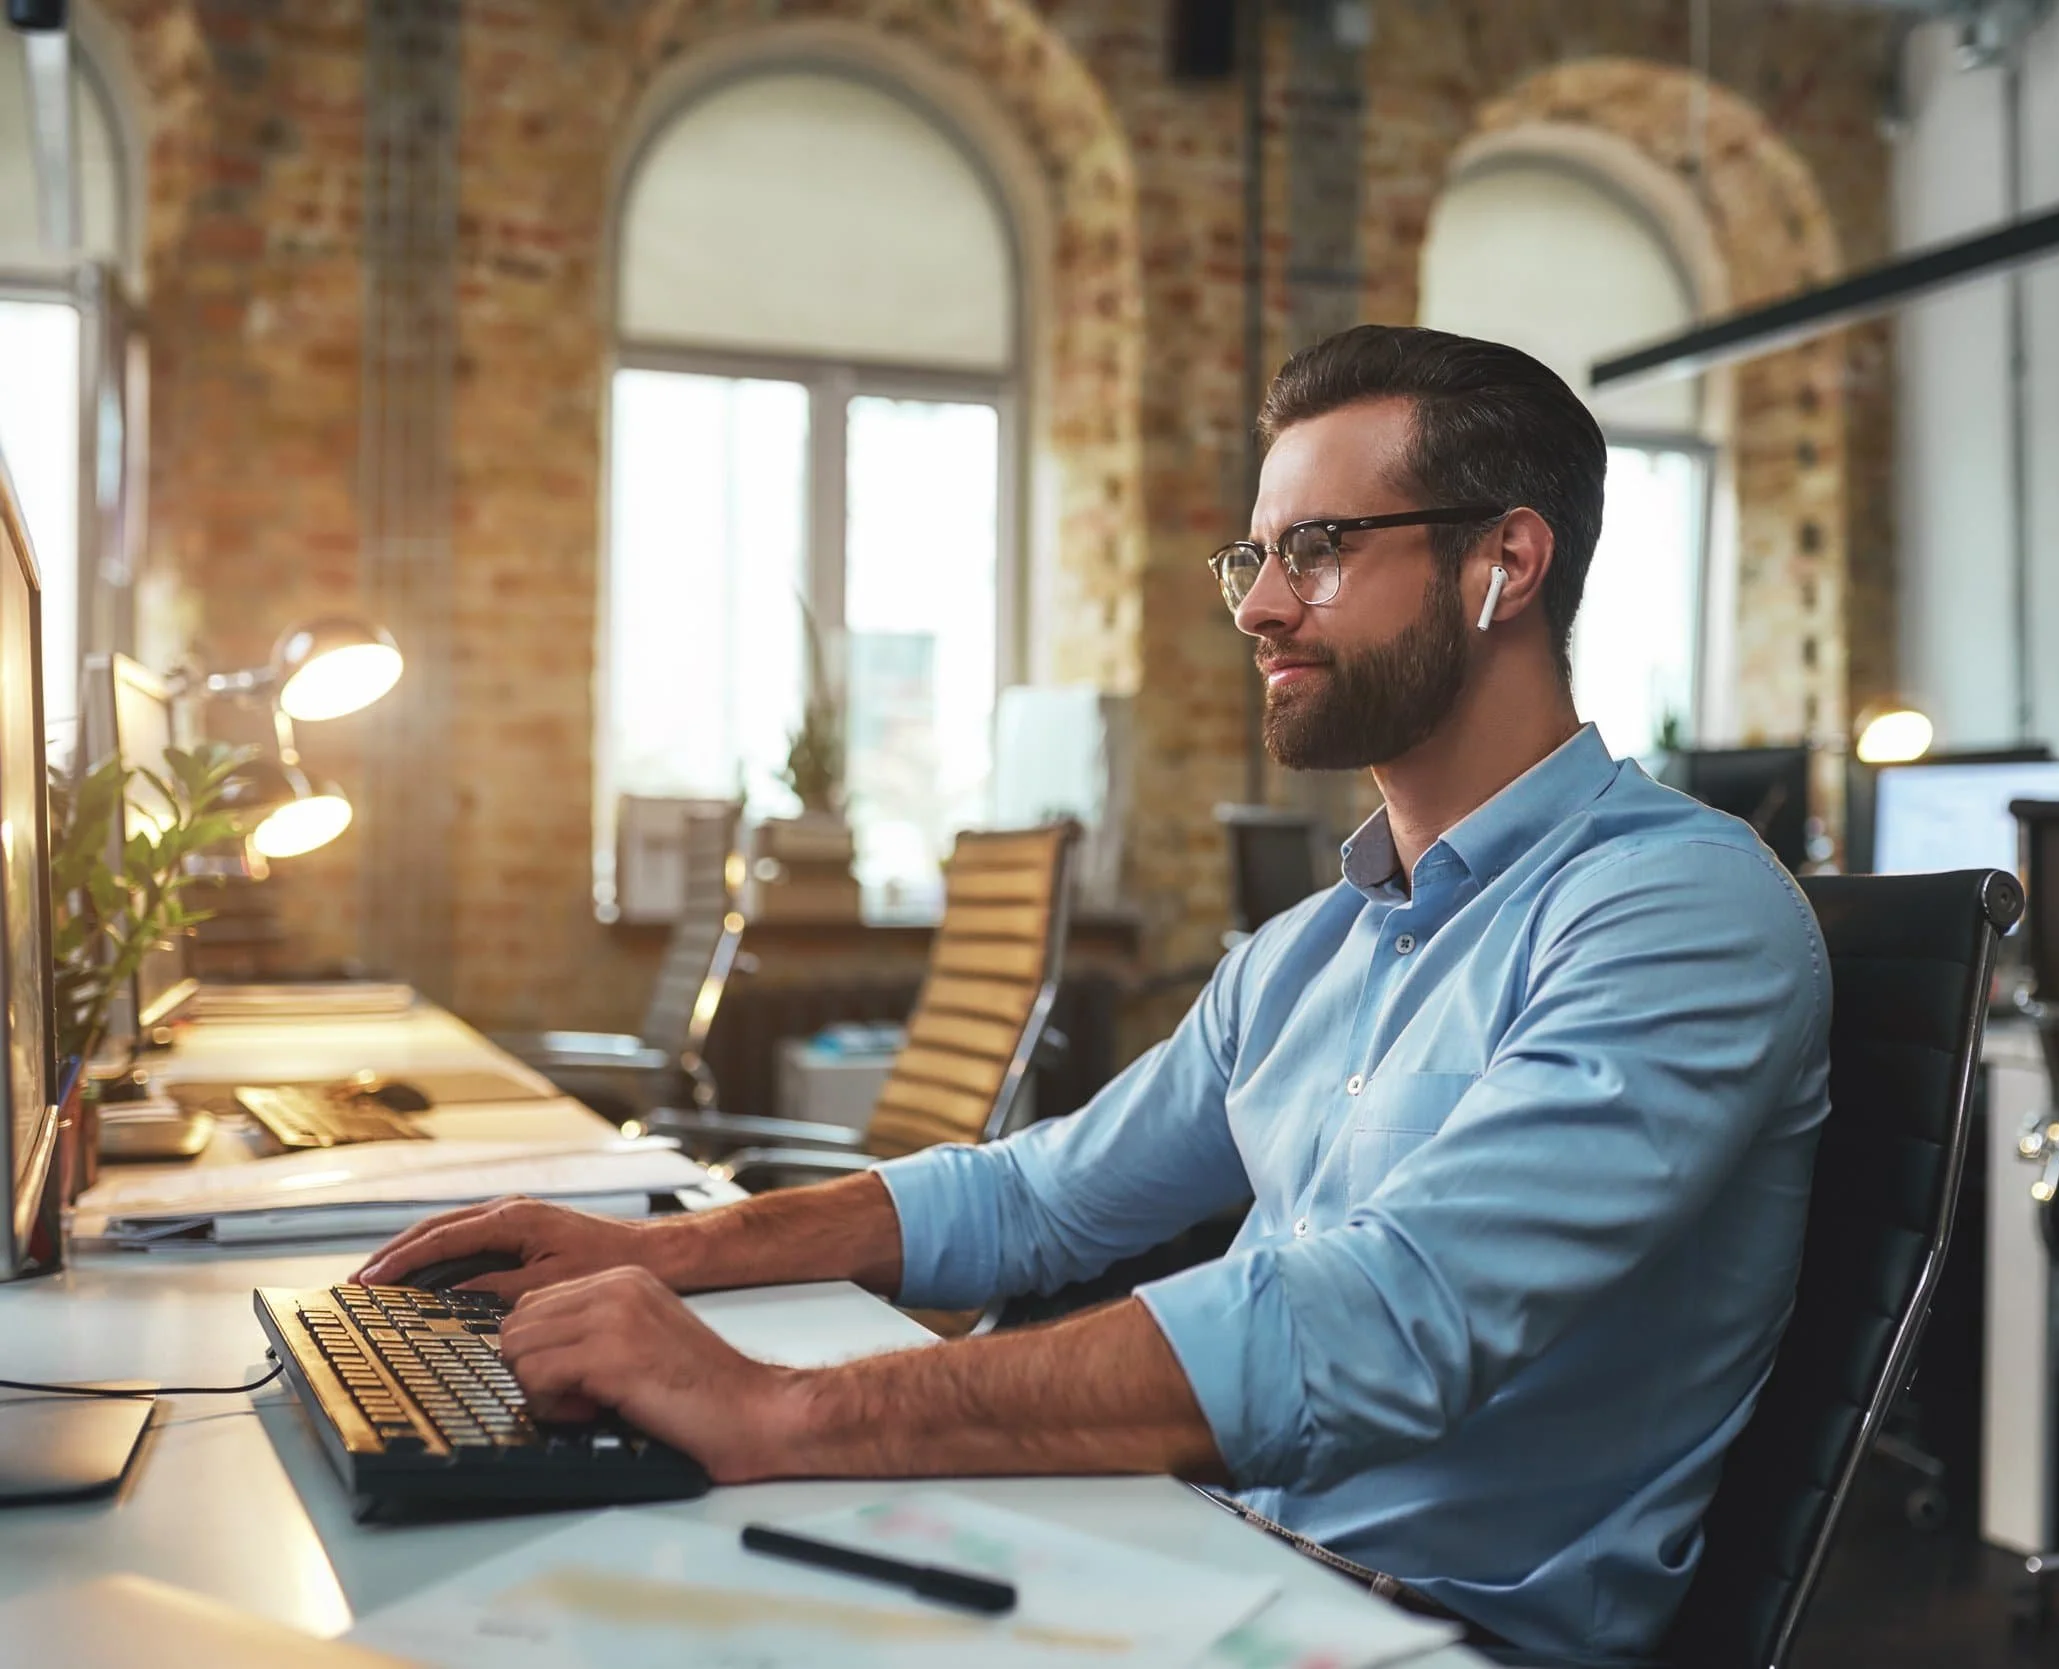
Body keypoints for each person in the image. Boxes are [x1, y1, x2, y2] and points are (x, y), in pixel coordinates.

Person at [361, 324, 1830, 1663]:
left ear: (1503, 565)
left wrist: (779, 1410)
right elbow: (1036, 1199)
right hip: (1205, 1562)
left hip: (1413, 1631)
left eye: (1314, 546)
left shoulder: (1675, 909)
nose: (1258, 609)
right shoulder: (1309, 948)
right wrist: (664, 1255)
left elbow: (1387, 1327)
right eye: (1249, 558)